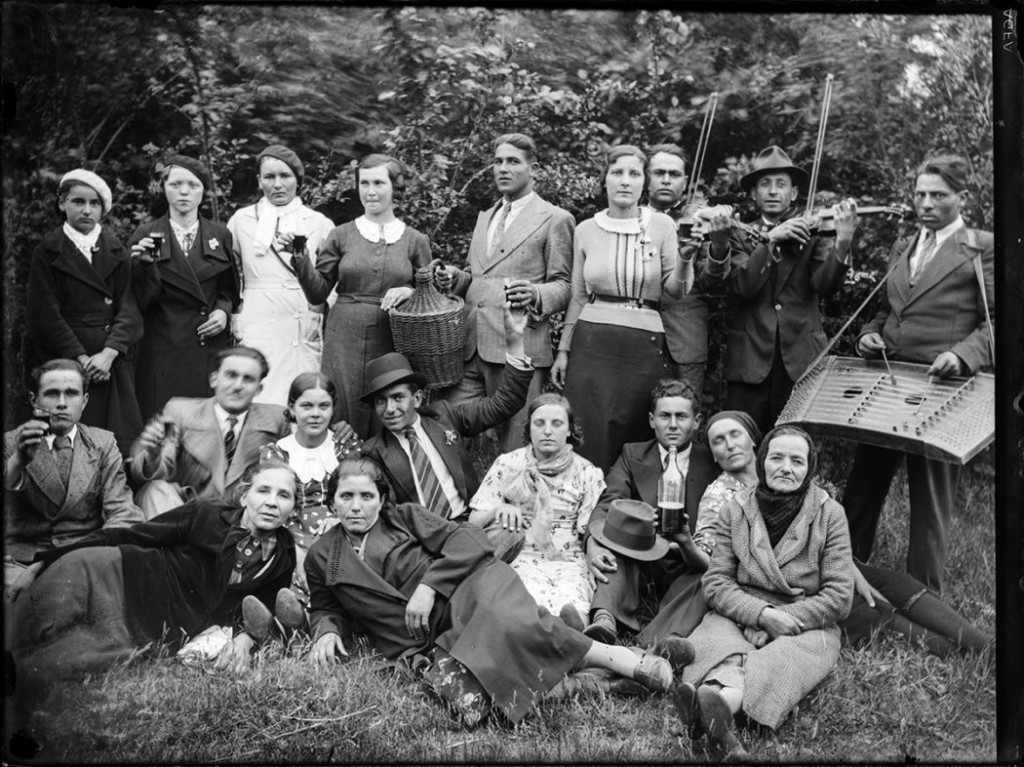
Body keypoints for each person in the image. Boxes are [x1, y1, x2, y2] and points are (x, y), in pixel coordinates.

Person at [303, 457, 674, 727]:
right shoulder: (322, 556)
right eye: (346, 496)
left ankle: (621, 661)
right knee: (471, 702)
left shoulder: (403, 517)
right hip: (424, 637)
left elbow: (467, 538)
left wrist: (429, 586)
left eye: (366, 497)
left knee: (509, 622)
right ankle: (596, 687)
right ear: (331, 500)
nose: (356, 507)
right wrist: (327, 630)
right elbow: (324, 606)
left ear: (381, 500)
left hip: (468, 590)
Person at [6, 458, 299, 743]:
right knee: (26, 629)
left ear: (293, 508)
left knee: (54, 664)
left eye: (283, 495)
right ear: (244, 495)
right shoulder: (206, 513)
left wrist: (246, 639)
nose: (272, 502)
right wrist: (42, 562)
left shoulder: (284, 553)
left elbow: (261, 606)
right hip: (112, 573)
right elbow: (134, 534)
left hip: (144, 625)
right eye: (263, 490)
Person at [697, 410, 991, 660]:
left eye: (735, 435)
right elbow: (715, 564)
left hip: (826, 563)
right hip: (786, 585)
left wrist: (854, 575)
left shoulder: (785, 461)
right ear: (712, 452)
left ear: (753, 440)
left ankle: (984, 645)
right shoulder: (721, 499)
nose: (729, 445)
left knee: (892, 583)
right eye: (718, 441)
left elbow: (825, 527)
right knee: (871, 609)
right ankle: (973, 652)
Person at [841, 154, 994, 594]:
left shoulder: (982, 245)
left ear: (962, 197)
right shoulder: (905, 244)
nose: (926, 202)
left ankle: (923, 599)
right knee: (864, 484)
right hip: (888, 384)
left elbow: (1003, 323)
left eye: (938, 195)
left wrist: (965, 355)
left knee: (930, 502)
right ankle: (844, 581)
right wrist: (869, 337)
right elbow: (888, 311)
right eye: (920, 193)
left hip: (942, 389)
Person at [677, 426, 854, 757]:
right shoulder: (736, 508)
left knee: (780, 659)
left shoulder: (830, 515)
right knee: (722, 647)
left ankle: (713, 708)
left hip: (805, 621)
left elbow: (840, 596)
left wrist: (780, 619)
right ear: (762, 462)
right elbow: (716, 582)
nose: (786, 468)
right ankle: (720, 717)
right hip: (739, 610)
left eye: (797, 461)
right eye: (777, 458)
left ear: (809, 468)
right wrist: (758, 615)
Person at [551, 145, 693, 472]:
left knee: (636, 430)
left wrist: (687, 256)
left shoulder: (662, 227)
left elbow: (676, 290)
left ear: (645, 182)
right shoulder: (586, 229)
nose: (625, 181)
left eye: (634, 174)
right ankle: (581, 505)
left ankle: (627, 510)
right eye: (617, 173)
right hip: (591, 343)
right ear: (605, 181)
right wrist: (564, 350)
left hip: (643, 346)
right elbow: (577, 296)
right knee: (588, 430)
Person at [359, 304, 534, 561]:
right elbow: (389, 517)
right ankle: (465, 574)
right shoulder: (375, 452)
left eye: (398, 398)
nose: (390, 408)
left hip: (467, 525)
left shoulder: (444, 417)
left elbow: (504, 403)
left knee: (511, 530)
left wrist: (516, 342)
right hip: (424, 541)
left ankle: (450, 576)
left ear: (417, 398)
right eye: (380, 401)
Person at [440, 133, 574, 453]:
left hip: (518, 348)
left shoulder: (555, 218)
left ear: (534, 168)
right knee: (444, 428)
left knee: (516, 447)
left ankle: (515, 504)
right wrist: (454, 278)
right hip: (470, 346)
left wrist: (536, 294)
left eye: (513, 161)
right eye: (498, 161)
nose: (503, 168)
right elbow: (477, 277)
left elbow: (564, 285)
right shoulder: (485, 217)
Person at [722, 145, 859, 435]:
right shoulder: (738, 233)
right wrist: (770, 240)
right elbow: (744, 286)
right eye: (765, 184)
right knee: (743, 441)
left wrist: (843, 242)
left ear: (794, 194)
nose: (773, 191)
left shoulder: (814, 232)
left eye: (781, 184)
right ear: (753, 194)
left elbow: (826, 286)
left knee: (794, 441)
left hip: (800, 360)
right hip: (749, 361)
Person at [292, 153, 431, 436]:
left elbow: (430, 296)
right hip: (343, 333)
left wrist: (408, 290)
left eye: (379, 183)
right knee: (341, 402)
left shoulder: (415, 240)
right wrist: (300, 258)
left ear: (395, 187)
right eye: (364, 183)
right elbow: (318, 292)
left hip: (390, 334)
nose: (370, 191)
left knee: (386, 397)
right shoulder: (341, 235)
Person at [582, 379, 717, 652]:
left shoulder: (712, 461)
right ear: (652, 419)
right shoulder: (632, 454)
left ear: (697, 421)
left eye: (682, 417)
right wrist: (591, 543)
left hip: (689, 559)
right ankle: (605, 620)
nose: (673, 425)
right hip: (641, 557)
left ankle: (665, 639)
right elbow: (610, 502)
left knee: (710, 577)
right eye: (665, 416)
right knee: (615, 547)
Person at [26, 169, 143, 454]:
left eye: (94, 204)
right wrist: (80, 359)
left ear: (103, 209)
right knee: (63, 435)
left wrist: (109, 353)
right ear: (62, 203)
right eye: (78, 202)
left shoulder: (118, 252)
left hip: (108, 362)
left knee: (115, 439)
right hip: (64, 357)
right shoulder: (48, 252)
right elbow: (44, 315)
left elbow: (130, 307)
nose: (87, 210)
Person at [4, 359, 143, 594]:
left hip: (84, 557)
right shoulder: (10, 443)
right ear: (33, 400)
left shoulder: (103, 444)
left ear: (84, 401)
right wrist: (17, 461)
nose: (61, 404)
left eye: (71, 394)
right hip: (20, 563)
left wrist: (82, 555)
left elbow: (123, 513)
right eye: (51, 394)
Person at [467, 392, 605, 622]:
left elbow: (590, 529)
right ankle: (535, 630)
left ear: (569, 429)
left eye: (557, 424)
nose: (547, 431)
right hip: (517, 554)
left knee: (572, 596)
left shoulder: (587, 472)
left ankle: (570, 629)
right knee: (517, 600)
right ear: (529, 428)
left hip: (566, 559)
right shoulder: (509, 464)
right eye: (539, 423)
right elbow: (473, 521)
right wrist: (497, 511)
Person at [129, 155, 239, 421]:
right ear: (163, 188)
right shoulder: (145, 234)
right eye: (176, 184)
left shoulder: (219, 235)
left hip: (208, 348)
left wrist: (223, 313)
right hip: (163, 349)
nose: (185, 192)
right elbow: (135, 301)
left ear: (203, 192)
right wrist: (144, 267)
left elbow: (229, 290)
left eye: (193, 185)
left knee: (206, 429)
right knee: (163, 429)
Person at [227, 145, 336, 407]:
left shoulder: (319, 222)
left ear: (298, 180)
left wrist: (318, 309)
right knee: (260, 391)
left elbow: (332, 281)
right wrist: (236, 311)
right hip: (259, 314)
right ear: (259, 181)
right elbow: (227, 273)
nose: (277, 184)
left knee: (302, 391)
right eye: (269, 177)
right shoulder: (242, 220)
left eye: (285, 176)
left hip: (301, 316)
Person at [127, 346, 290, 519]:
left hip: (243, 520)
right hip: (187, 516)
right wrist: (153, 454)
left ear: (258, 389)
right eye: (231, 375)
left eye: (248, 379)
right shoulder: (181, 411)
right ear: (214, 379)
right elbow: (160, 470)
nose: (238, 386)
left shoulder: (277, 419)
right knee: (155, 490)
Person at [645, 144, 732, 397]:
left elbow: (712, 284)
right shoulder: (632, 218)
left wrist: (719, 244)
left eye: (674, 175)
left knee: (683, 414)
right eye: (659, 173)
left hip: (685, 340)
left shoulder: (700, 221)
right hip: (636, 335)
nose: (666, 180)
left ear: (685, 182)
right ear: (646, 177)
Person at [274, 372, 343, 601]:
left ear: (333, 408)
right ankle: (290, 617)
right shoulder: (277, 453)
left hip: (337, 529)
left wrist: (338, 520)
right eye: (306, 406)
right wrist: (298, 549)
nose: (315, 414)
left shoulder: (346, 448)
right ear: (292, 409)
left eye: (324, 406)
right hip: (290, 535)